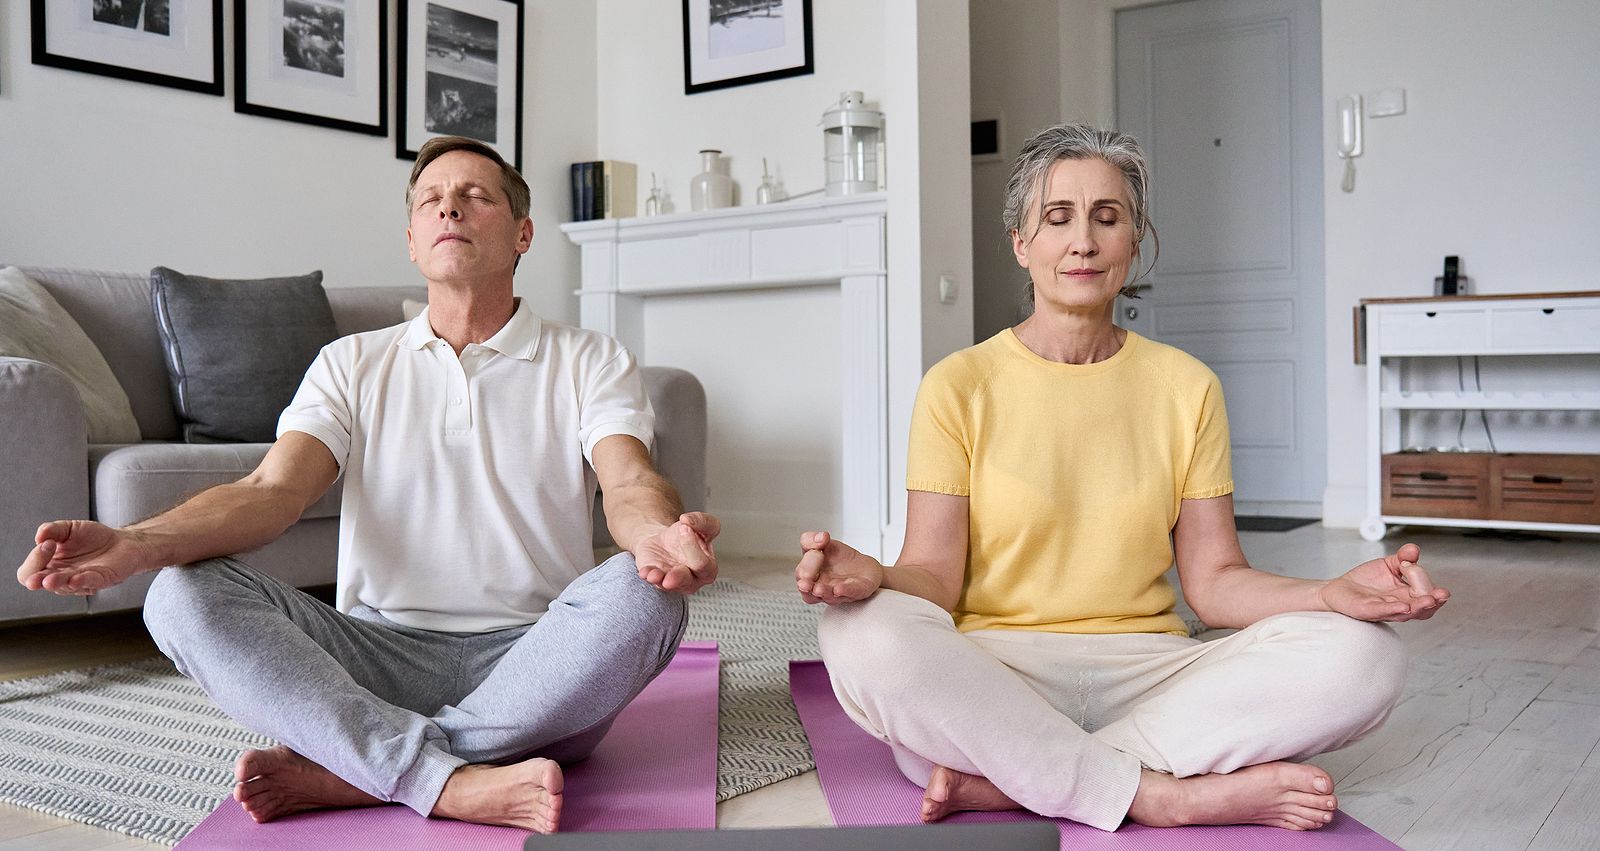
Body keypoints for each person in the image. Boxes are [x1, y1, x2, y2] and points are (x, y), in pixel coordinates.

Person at [15, 136, 720, 834]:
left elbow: (627, 479)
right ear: (413, 240)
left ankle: (362, 766)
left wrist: (657, 535)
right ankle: (444, 780)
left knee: (644, 595)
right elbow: (272, 490)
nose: (450, 211)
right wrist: (137, 543)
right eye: (431, 202)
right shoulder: (350, 362)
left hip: (536, 664)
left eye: (475, 197)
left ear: (522, 233)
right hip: (372, 657)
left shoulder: (590, 357)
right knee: (179, 592)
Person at [793, 123, 1449, 833]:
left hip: (1152, 673)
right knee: (860, 631)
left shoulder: (1186, 386)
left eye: (1108, 218)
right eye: (1058, 218)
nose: (1083, 240)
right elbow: (935, 577)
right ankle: (1161, 794)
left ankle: (1024, 781)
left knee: (1364, 654)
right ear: (1021, 242)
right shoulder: (958, 385)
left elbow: (1217, 581)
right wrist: (876, 577)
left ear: (1135, 243)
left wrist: (1331, 593)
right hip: (998, 673)